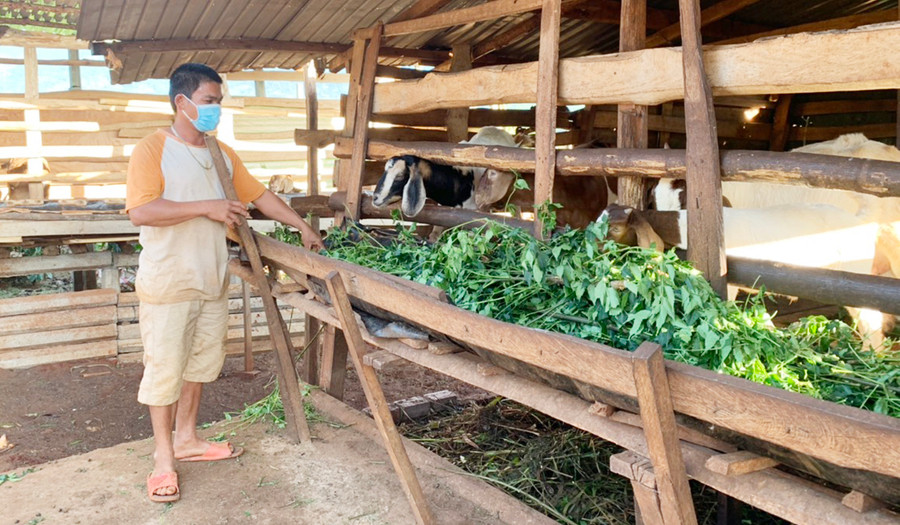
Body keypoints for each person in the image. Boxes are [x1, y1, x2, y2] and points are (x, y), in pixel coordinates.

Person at [125, 63, 324, 503]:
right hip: (169, 280)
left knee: (199, 364)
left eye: (219, 102)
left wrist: (300, 226)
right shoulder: (152, 149)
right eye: (210, 101)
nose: (217, 109)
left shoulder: (220, 153)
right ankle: (163, 458)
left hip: (211, 277)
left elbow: (259, 195)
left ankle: (187, 438)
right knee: (164, 370)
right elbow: (141, 211)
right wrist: (208, 207)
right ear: (183, 102)